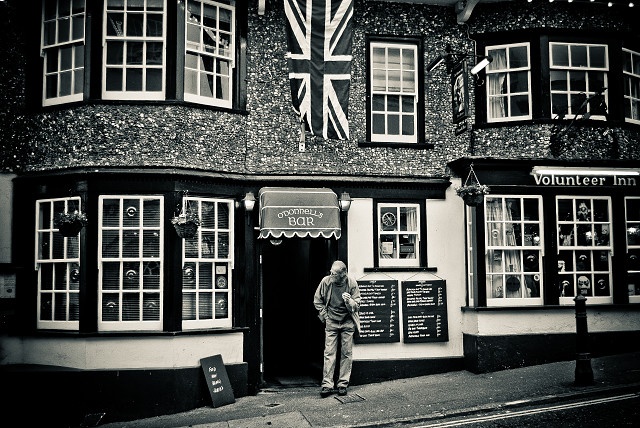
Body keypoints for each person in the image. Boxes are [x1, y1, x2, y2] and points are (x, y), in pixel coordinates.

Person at [313, 260, 361, 398]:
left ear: (343, 274)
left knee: (346, 353)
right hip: (332, 322)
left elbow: (357, 306)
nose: (331, 275)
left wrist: (349, 301)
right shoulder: (326, 282)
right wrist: (325, 316)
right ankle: (327, 385)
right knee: (329, 353)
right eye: (331, 272)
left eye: (334, 273)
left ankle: (342, 384)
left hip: (347, 322)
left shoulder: (351, 283)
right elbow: (317, 300)